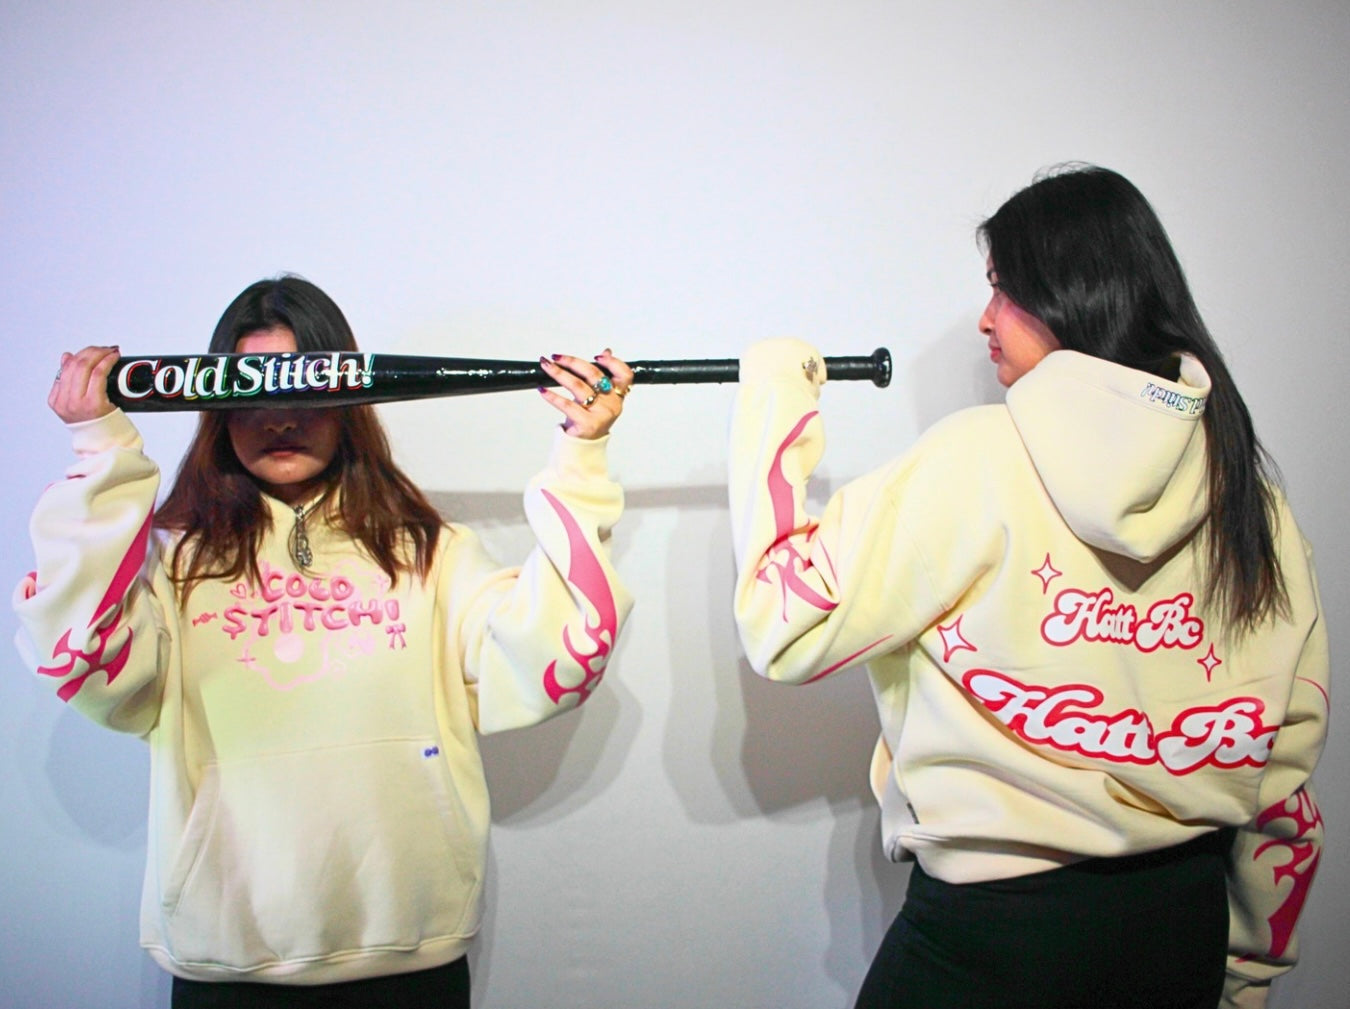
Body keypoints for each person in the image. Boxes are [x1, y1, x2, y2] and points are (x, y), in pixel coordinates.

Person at [727, 165, 1327, 1009]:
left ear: (1068, 295)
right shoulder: (1248, 496)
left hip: (991, 946)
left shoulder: (974, 461)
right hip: (1178, 937)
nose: (985, 318)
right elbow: (1285, 774)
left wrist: (775, 399)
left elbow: (781, 625)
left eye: (1002, 288)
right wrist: (1246, 976)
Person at [14, 275, 635, 1008]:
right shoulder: (169, 567)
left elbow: (556, 657)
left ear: (348, 402)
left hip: (411, 961)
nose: (280, 418)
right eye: (254, 393)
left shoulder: (432, 554)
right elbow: (83, 661)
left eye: (306, 390)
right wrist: (99, 453)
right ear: (218, 409)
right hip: (228, 968)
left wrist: (580, 458)